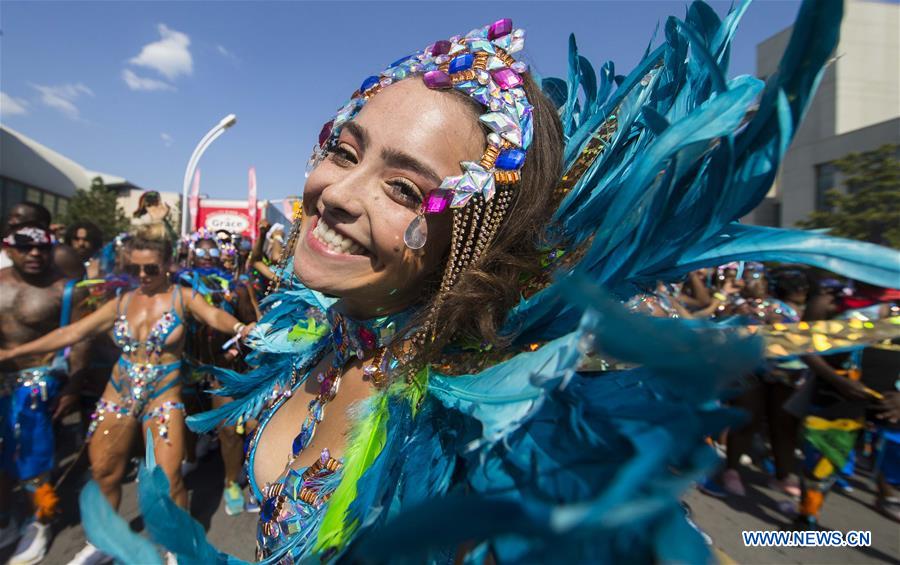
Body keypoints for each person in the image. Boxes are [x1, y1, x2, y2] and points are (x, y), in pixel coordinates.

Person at [79, 4, 900, 563]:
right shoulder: (305, 331)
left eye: (404, 188)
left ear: (467, 233)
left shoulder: (507, 439)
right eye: (345, 147)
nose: (338, 192)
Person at [0, 225, 255, 564]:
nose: (142, 275)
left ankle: (177, 544)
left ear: (166, 264)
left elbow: (214, 315)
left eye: (150, 268)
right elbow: (73, 332)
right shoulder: (120, 302)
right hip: (118, 393)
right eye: (134, 268)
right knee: (105, 472)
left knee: (167, 480)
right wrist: (13, 354)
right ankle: (105, 539)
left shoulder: (182, 297)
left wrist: (240, 328)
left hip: (163, 394)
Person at [0, 225, 82, 564]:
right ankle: (8, 518)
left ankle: (41, 521)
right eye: (25, 246)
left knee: (34, 460)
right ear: (9, 248)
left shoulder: (64, 289)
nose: (34, 253)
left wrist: (74, 386)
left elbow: (80, 339)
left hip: (36, 387)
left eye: (42, 247)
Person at [178, 230, 257, 516]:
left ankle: (230, 482)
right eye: (201, 253)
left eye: (214, 253)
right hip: (188, 366)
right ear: (190, 254)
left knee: (228, 430)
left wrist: (240, 347)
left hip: (224, 369)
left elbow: (250, 325)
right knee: (186, 419)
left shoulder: (235, 287)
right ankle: (190, 456)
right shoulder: (178, 287)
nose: (208, 258)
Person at [0, 203, 52, 270]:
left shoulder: (59, 256)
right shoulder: (6, 245)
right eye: (10, 217)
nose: (11, 222)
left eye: (18, 217)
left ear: (42, 223)